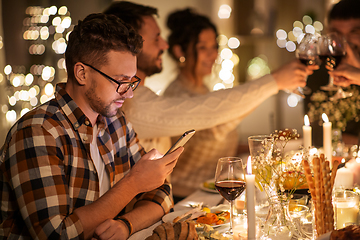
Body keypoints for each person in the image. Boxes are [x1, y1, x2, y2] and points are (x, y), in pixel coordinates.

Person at [0, 13, 183, 240]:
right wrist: (134, 183)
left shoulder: (116, 122)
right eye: (121, 81)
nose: (130, 93)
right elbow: (56, 235)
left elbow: (162, 194)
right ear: (81, 73)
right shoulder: (38, 132)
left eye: (132, 81)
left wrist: (126, 225)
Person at [103, 1, 316, 155]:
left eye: (214, 46)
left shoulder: (145, 94)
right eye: (156, 38)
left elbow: (217, 116)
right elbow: (211, 113)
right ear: (129, 43)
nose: (164, 45)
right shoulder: (130, 102)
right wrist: (274, 82)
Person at [162, 8, 241, 198]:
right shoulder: (176, 96)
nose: (212, 55)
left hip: (211, 194)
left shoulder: (203, 90)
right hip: (185, 198)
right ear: (180, 51)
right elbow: (213, 131)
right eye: (202, 48)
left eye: (214, 47)